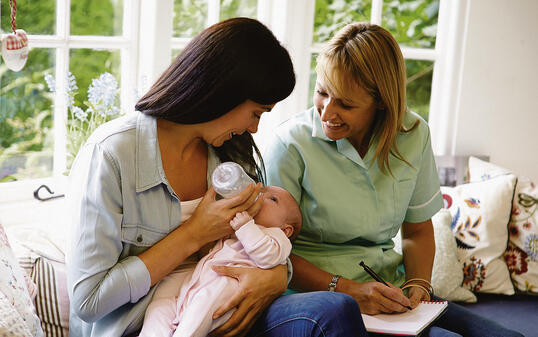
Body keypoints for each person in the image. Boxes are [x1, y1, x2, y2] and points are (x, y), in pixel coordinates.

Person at [66, 17, 365, 337]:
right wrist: (194, 234)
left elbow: (269, 237)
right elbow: (89, 300)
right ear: (223, 91)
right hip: (153, 323)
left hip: (229, 312)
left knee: (335, 311)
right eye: (256, 113)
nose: (254, 128)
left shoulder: (232, 153)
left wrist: (277, 275)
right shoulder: (113, 154)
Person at [263, 22, 524, 337]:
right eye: (321, 92)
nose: (326, 111)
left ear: (382, 102)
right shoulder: (290, 144)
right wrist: (347, 289)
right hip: (313, 296)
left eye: (345, 103)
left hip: (389, 289)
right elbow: (272, 251)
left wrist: (417, 285)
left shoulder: (413, 135)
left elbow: (416, 230)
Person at [139, 186, 302, 337]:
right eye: (262, 191)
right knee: (160, 306)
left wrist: (245, 227)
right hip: (199, 281)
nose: (261, 196)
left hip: (228, 288)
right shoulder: (239, 226)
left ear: (286, 229)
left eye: (273, 199)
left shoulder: (277, 237)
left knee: (200, 307)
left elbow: (267, 257)